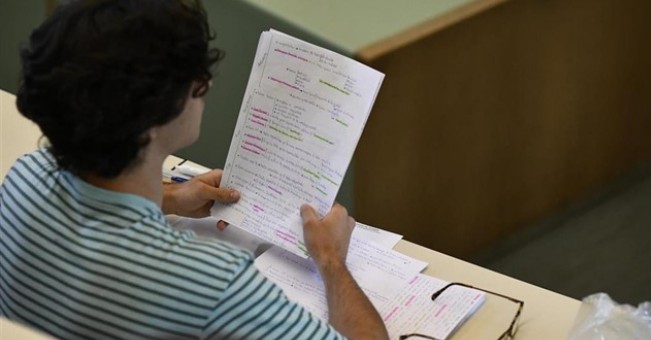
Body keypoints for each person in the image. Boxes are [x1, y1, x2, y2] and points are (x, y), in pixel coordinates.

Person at [0, 0, 388, 339]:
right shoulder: (211, 283)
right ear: (150, 123)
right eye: (191, 80)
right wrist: (331, 260)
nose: (204, 83)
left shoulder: (24, 178)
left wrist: (170, 197)